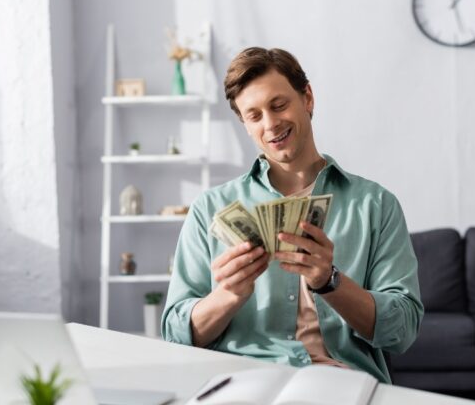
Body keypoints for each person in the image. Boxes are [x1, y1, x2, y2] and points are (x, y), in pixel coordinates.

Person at [162, 47, 423, 383]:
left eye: (279, 105)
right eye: (254, 116)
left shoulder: (375, 204)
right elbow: (175, 333)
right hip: (243, 380)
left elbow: (402, 332)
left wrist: (330, 282)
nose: (270, 124)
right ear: (245, 125)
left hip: (340, 381)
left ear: (308, 98)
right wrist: (229, 295)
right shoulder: (209, 209)